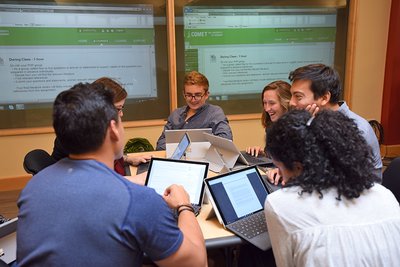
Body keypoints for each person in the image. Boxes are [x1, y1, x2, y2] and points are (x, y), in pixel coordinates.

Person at [17, 83, 207, 267]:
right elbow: (197, 263)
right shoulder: (139, 201)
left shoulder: (34, 187)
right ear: (113, 129)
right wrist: (184, 205)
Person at [264, 109, 400, 267]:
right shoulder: (384, 195)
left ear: (298, 167)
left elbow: (286, 263)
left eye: (279, 167)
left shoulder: (280, 204)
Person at [288, 63, 383, 182]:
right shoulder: (313, 120)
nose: (291, 102)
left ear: (324, 98)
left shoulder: (356, 130)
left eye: (298, 97)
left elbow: (338, 180)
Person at [51, 77, 150, 176]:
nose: (121, 114)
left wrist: (128, 159)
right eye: (118, 109)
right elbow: (92, 178)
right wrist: (134, 180)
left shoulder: (94, 128)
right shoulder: (82, 133)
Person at [156, 71, 232, 150]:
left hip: (202, 160)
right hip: (176, 159)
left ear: (206, 95)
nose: (193, 100)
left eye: (198, 95)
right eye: (189, 95)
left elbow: (226, 140)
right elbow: (161, 144)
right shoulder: (176, 114)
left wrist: (182, 147)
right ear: (184, 94)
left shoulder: (215, 113)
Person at [245, 80, 291, 157]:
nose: (267, 109)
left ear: (286, 103)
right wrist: (262, 153)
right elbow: (275, 156)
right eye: (265, 103)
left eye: (272, 103)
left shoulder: (299, 130)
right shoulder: (271, 126)